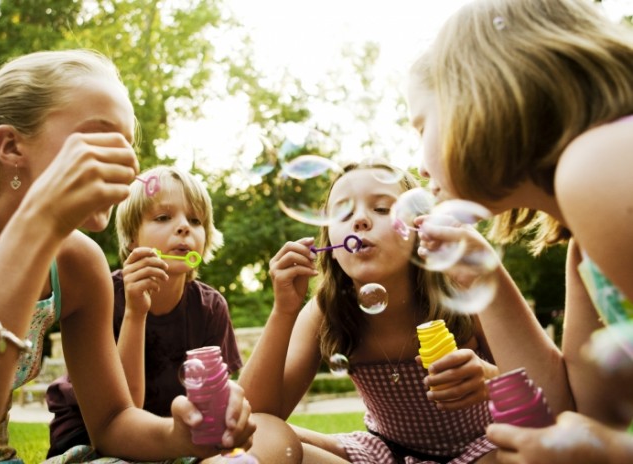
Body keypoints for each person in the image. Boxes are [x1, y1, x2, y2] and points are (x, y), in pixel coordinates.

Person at [0, 49, 255, 463]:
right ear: (11, 146)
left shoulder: (79, 264)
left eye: (126, 145)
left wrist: (181, 435)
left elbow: (114, 421)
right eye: (99, 138)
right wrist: (39, 223)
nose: (125, 162)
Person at [407, 0, 633, 461]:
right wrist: (479, 273)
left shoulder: (602, 163)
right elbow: (578, 411)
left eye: (420, 125)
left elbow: (603, 437)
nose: (418, 160)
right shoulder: (583, 249)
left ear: (477, 98)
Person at [238, 159, 501, 463]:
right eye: (344, 213)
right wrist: (283, 311)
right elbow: (251, 416)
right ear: (330, 244)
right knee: (261, 434)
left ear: (418, 230)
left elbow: (545, 390)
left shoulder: (463, 291)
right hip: (384, 455)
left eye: (381, 209)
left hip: (484, 448)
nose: (360, 221)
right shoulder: (326, 311)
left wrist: (492, 379)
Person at [46, 165, 302, 463]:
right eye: (163, 217)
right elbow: (121, 415)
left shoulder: (209, 306)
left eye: (195, 220)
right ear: (131, 238)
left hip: (176, 441)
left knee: (276, 434)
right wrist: (135, 312)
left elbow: (219, 402)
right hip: (95, 441)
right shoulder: (105, 293)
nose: (184, 227)